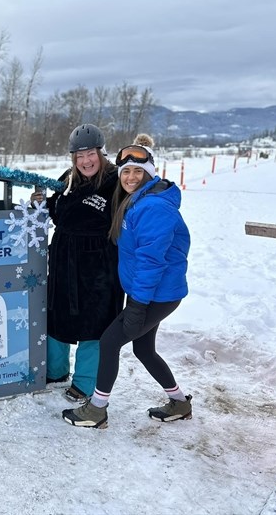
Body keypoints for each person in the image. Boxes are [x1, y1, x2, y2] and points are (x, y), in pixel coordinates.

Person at [62, 134, 192, 428]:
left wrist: (137, 304)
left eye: (138, 171)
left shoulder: (153, 207)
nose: (131, 177)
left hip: (155, 294)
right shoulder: (139, 200)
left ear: (150, 173)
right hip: (153, 293)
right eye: (126, 171)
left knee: (109, 343)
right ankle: (180, 403)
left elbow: (151, 261)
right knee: (143, 349)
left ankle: (97, 409)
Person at [32, 124, 124, 402]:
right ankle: (56, 370)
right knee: (57, 316)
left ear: (101, 152)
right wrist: (42, 203)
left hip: (99, 267)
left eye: (90, 154)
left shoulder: (115, 182)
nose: (85, 161)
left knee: (94, 324)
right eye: (79, 155)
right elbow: (63, 212)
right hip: (63, 262)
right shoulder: (68, 179)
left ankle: (85, 382)